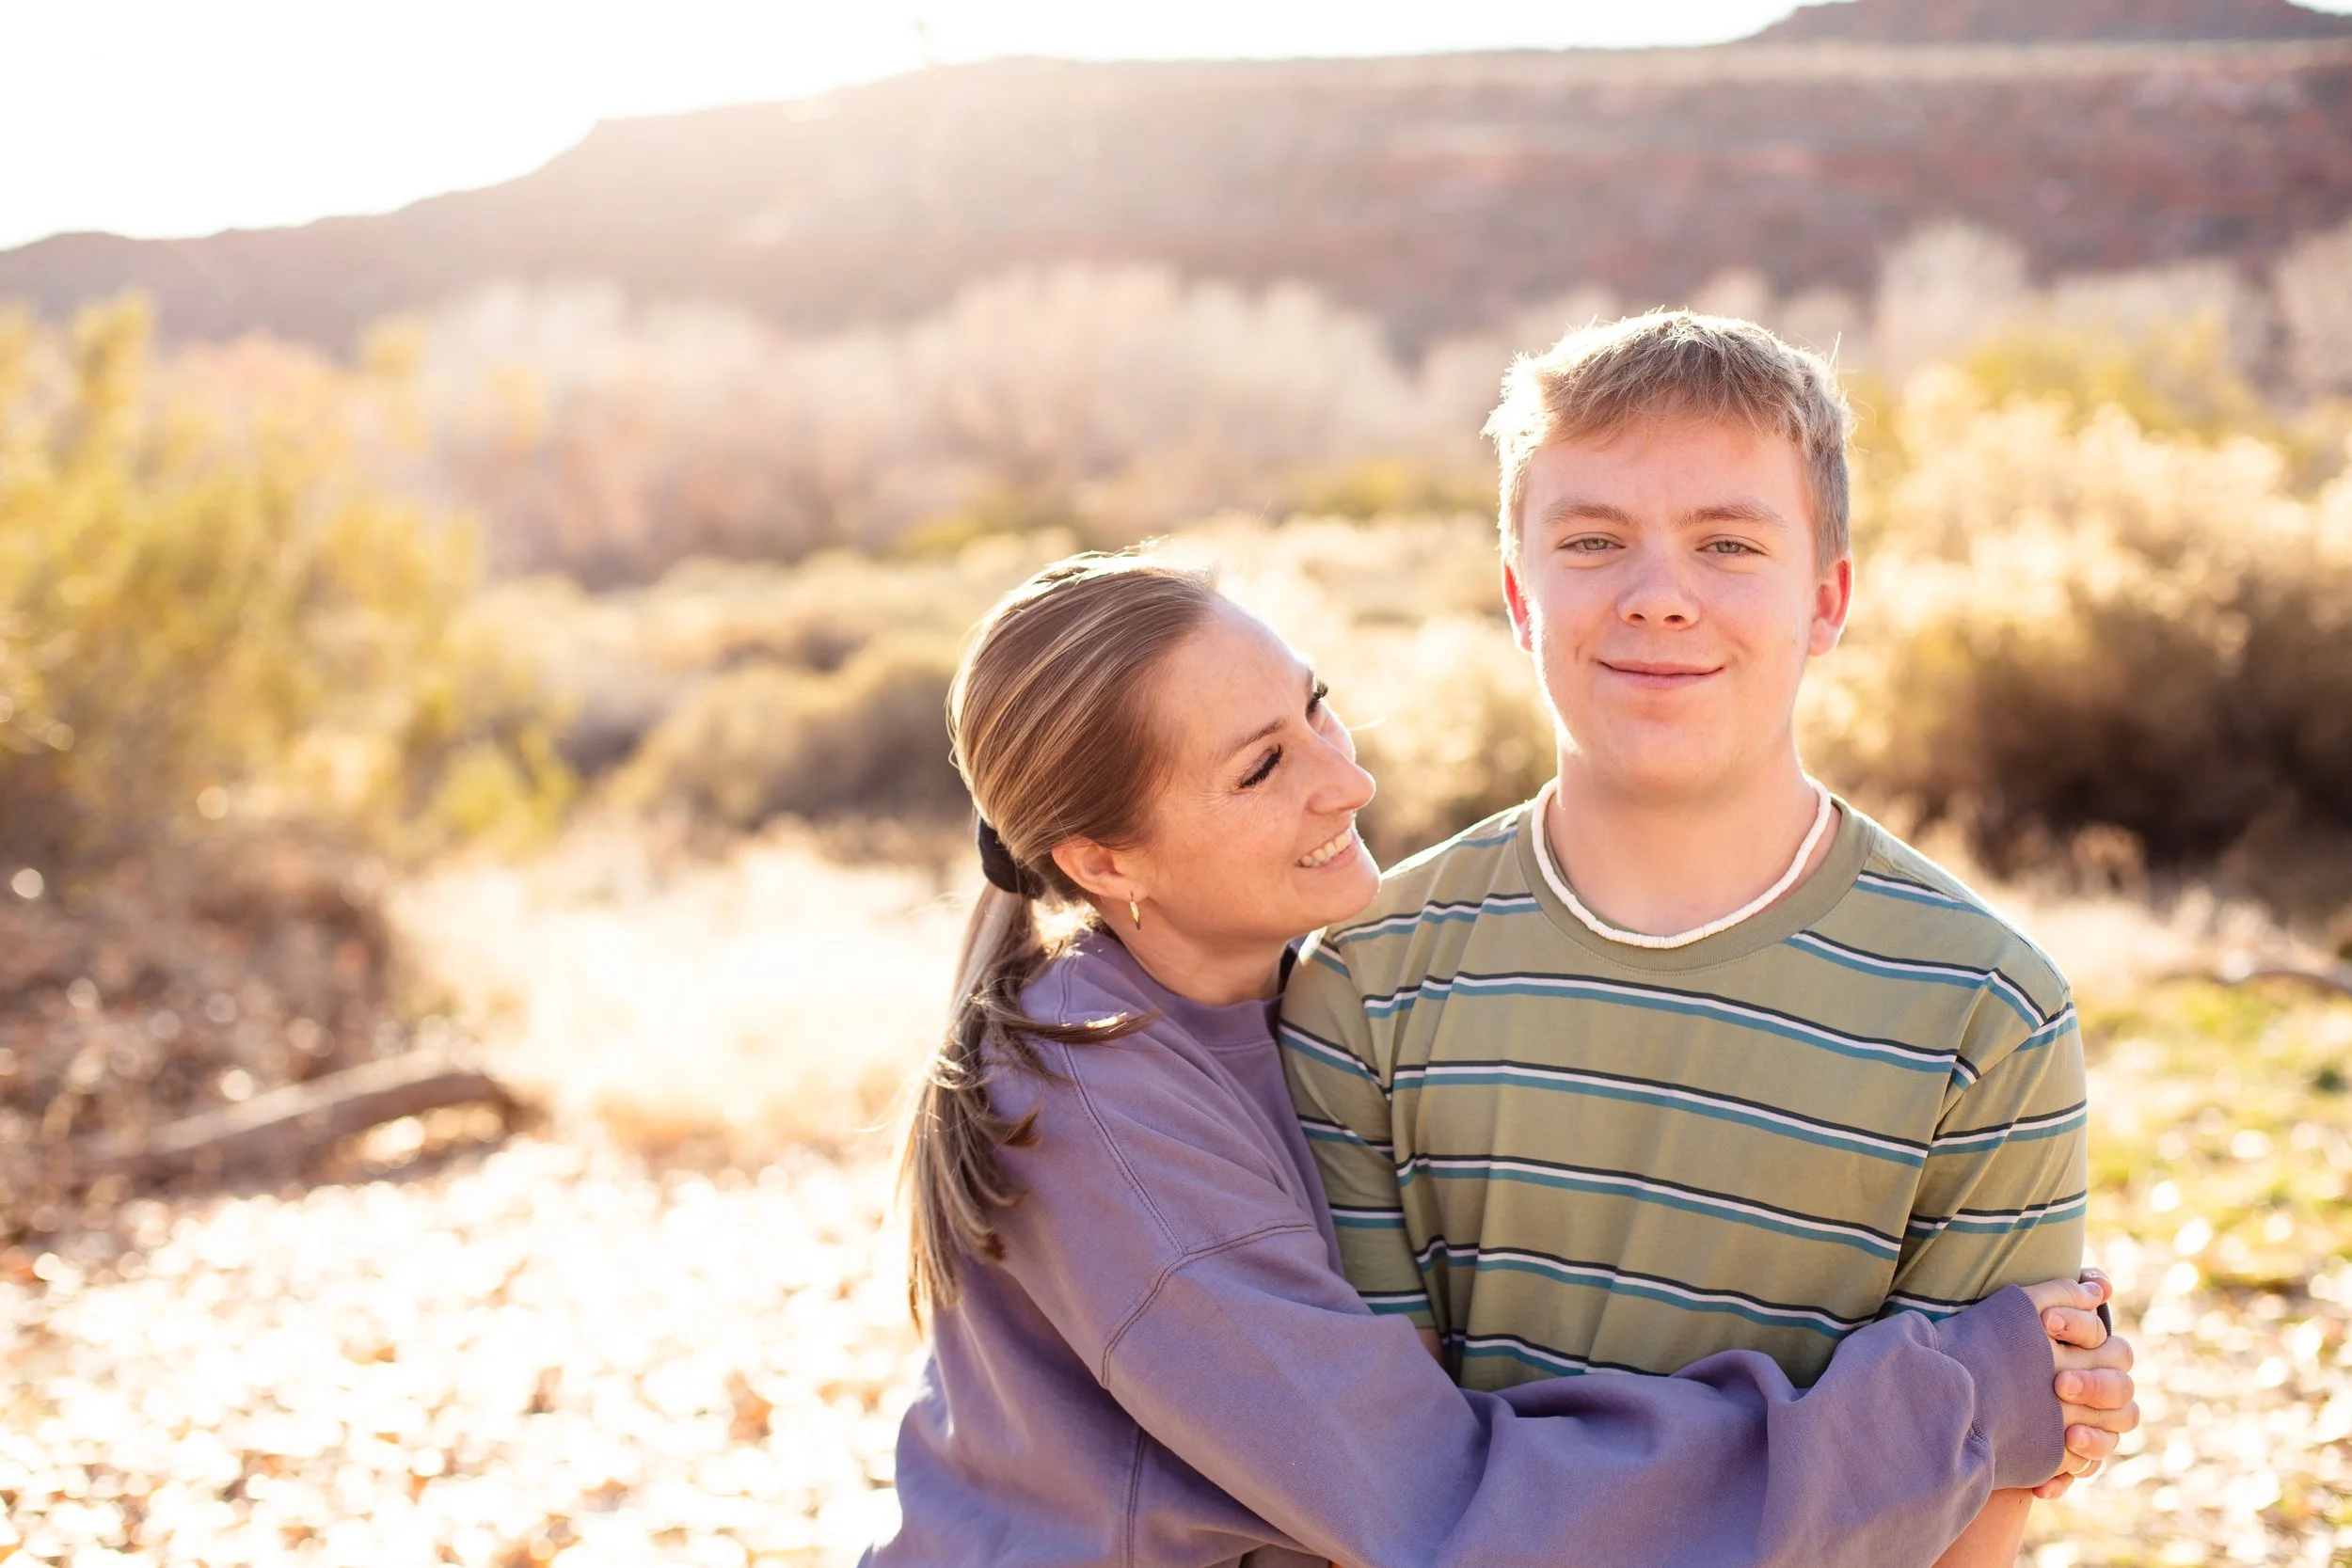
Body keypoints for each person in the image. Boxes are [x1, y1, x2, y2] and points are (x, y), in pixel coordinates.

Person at [865, 552, 2137, 1568]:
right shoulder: (1098, 1108)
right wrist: (1960, 1400)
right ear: (1102, 860)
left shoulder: (1291, 1001)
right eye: (1263, 768)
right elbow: (1439, 1509)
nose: (1346, 779)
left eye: (1315, 708)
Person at [1280, 309, 2096, 1568]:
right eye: (1595, 540)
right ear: (1517, 593)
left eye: (1728, 543)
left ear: (1826, 600)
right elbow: (1384, 1478)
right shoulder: (1366, 977)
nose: (1660, 597)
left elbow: (1970, 1495)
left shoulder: (1986, 1013)